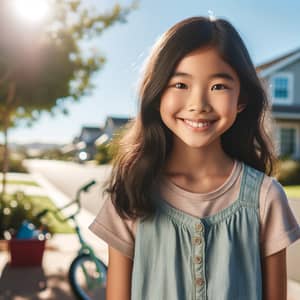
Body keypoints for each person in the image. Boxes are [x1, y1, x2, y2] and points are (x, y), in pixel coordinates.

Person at [89, 16, 300, 300]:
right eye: (180, 85)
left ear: (242, 100)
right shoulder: (132, 192)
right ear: (157, 92)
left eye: (218, 86)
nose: (198, 104)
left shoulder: (266, 198)